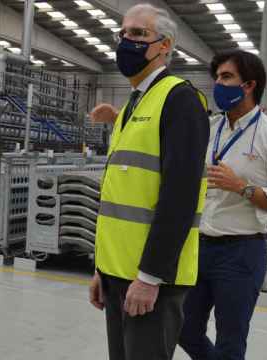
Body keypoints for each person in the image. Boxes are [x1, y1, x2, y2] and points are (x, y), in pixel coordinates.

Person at [88, 4, 209, 360]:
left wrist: (150, 276)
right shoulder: (133, 106)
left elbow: (180, 198)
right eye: (123, 33)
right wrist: (102, 269)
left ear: (165, 46)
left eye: (139, 34)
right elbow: (122, 195)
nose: (127, 40)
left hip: (150, 280)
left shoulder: (180, 99)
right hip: (118, 274)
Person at [178, 50, 267, 360]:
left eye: (226, 77)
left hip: (241, 253)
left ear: (249, 85)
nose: (218, 83)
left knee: (230, 342)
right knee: (184, 329)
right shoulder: (211, 128)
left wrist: (243, 188)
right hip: (200, 247)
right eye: (217, 77)